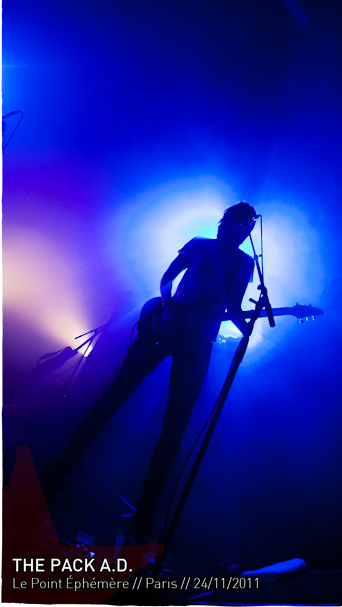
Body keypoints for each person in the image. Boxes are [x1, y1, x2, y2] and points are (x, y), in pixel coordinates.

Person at [42, 202, 257, 544]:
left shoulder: (246, 264)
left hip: (199, 344)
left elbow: (231, 307)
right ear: (225, 223)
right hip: (163, 327)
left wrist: (249, 326)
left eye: (243, 230)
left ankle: (144, 513)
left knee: (175, 427)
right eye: (231, 225)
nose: (235, 233)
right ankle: (61, 468)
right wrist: (168, 309)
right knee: (114, 396)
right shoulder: (198, 245)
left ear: (247, 232)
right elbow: (167, 278)